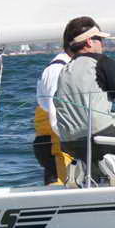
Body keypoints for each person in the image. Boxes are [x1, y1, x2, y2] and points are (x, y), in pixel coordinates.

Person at [53, 16, 115, 186]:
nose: (103, 44)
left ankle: (81, 168)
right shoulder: (102, 62)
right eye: (100, 39)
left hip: (69, 142)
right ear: (89, 41)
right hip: (99, 135)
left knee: (97, 149)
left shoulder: (64, 70)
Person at [31, 49, 73, 185]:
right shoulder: (57, 69)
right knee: (59, 184)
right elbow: (54, 106)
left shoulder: (68, 67)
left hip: (59, 142)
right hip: (56, 142)